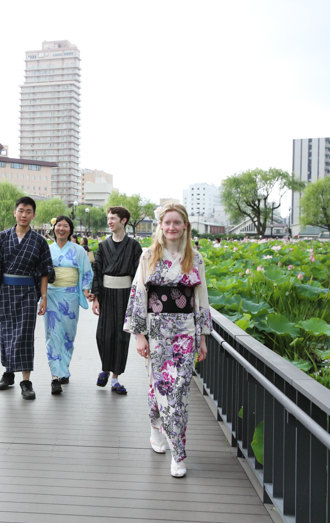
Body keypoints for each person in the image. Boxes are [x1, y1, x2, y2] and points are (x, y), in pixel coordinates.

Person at [123, 203, 211, 478]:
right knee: (158, 386)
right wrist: (139, 335)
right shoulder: (148, 256)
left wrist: (203, 338)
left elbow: (201, 300)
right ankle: (154, 426)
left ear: (185, 225)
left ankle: (178, 453)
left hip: (185, 330)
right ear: (160, 226)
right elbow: (138, 295)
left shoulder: (195, 258)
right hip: (156, 329)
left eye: (177, 222)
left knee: (179, 391)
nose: (171, 227)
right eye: (167, 222)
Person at [0, 196, 54, 400]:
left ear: (33, 215)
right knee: (6, 332)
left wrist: (43, 297)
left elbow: (44, 272)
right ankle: (8, 374)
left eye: (28, 211)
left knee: (24, 334)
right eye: (21, 210)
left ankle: (26, 381)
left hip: (27, 293)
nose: (24, 215)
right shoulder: (2, 238)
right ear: (15, 212)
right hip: (6, 291)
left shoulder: (40, 241)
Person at [91, 206, 143, 395]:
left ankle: (114, 378)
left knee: (121, 337)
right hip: (106, 294)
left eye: (113, 218)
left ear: (124, 221)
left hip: (126, 294)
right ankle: (104, 368)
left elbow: (139, 274)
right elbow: (97, 271)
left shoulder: (134, 246)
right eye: (109, 218)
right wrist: (96, 297)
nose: (110, 221)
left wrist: (137, 300)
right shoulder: (103, 246)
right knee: (103, 335)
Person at [45, 216, 94, 394]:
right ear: (54, 228)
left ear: (70, 230)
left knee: (67, 334)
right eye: (59, 225)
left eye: (66, 226)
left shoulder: (79, 251)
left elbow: (87, 272)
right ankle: (55, 376)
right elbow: (41, 274)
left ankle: (64, 369)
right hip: (51, 294)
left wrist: (86, 290)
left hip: (71, 296)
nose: (62, 229)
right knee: (52, 333)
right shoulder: (47, 249)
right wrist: (41, 295)